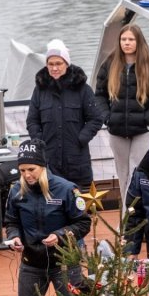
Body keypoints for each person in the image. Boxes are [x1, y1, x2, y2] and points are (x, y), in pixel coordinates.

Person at [4, 139, 91, 296]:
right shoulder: (16, 191)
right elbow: (11, 222)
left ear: (43, 166)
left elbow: (83, 223)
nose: (27, 175)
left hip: (65, 263)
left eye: (31, 169)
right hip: (32, 264)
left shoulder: (66, 189)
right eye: (22, 170)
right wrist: (14, 237)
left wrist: (60, 236)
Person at [93, 24, 149, 201]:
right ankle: (125, 215)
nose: (127, 43)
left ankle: (139, 213)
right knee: (122, 175)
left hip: (143, 130)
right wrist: (107, 118)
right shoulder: (109, 64)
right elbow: (99, 95)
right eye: (123, 39)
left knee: (139, 173)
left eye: (131, 39)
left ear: (139, 41)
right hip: (117, 131)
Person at [26, 40, 104, 190]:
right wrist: (39, 141)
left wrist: (81, 139)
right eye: (51, 64)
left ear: (66, 64)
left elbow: (96, 118)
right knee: (52, 201)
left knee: (78, 201)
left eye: (59, 63)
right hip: (49, 160)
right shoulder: (39, 91)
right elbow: (32, 121)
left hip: (77, 161)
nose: (54, 68)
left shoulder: (83, 89)